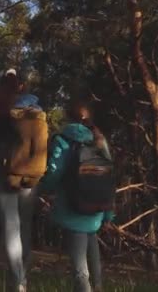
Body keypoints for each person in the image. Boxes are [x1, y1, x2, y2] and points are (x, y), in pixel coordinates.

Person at [0, 68, 45, 292]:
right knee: (24, 226)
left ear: (1, 84)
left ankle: (18, 281)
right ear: (21, 85)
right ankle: (23, 275)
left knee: (11, 226)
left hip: (1, 173)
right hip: (31, 175)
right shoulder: (35, 109)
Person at [38, 100, 115, 292]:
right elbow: (108, 180)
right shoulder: (99, 140)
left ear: (68, 117)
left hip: (73, 209)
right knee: (93, 256)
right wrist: (108, 215)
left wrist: (43, 188)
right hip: (96, 211)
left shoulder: (63, 140)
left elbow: (54, 173)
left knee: (80, 271)